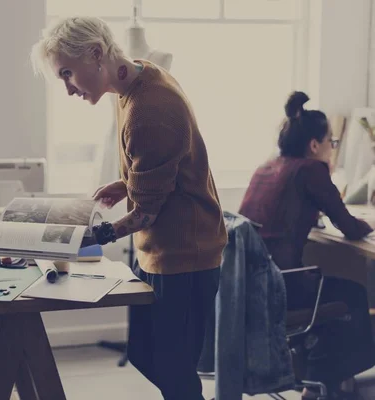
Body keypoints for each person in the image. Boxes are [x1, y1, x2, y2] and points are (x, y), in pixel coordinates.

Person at [32, 17, 227, 400]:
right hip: (159, 250)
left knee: (176, 374)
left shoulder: (149, 107)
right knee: (145, 356)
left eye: (68, 74)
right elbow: (167, 161)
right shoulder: (136, 81)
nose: (69, 89)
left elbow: (145, 214)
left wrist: (88, 237)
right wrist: (127, 184)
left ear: (95, 54)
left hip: (185, 255)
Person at [239, 91, 375, 399]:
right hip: (281, 287)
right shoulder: (311, 170)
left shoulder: (267, 167)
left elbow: (281, 214)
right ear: (315, 145)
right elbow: (350, 227)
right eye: (331, 141)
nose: (332, 148)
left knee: (334, 285)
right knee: (355, 293)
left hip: (249, 287)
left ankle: (318, 374)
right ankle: (324, 379)